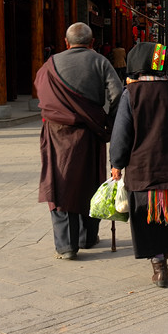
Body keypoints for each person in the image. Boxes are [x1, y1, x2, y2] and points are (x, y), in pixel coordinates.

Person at [109, 42, 168, 288]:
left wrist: (117, 163)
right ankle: (167, 249)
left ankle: (159, 265)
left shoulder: (132, 94)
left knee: (149, 218)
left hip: (143, 170)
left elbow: (121, 134)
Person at [35, 22, 123, 260]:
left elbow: (40, 92)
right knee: (88, 183)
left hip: (56, 133)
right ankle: (87, 238)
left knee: (60, 184)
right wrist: (110, 122)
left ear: (66, 42)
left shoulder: (50, 64)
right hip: (89, 132)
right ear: (92, 42)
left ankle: (66, 246)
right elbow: (118, 94)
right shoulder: (99, 61)